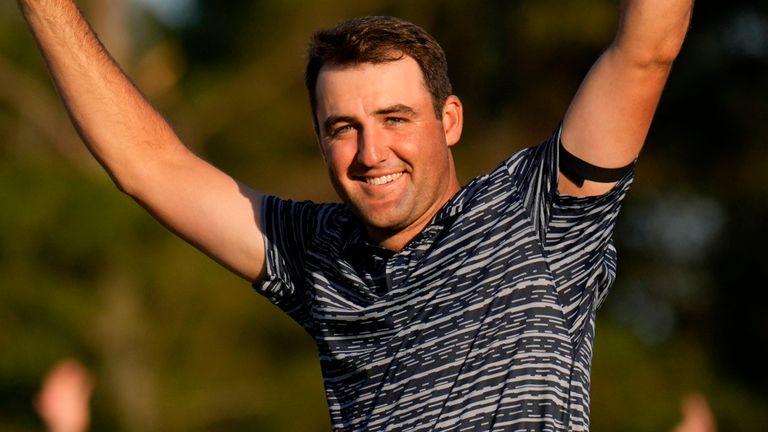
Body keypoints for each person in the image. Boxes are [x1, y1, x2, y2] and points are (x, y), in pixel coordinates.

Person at [17, 0, 693, 430]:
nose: (372, 152)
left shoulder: (537, 213)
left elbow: (646, 49)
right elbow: (150, 167)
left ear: (447, 120)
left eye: (395, 118)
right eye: (343, 127)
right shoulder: (315, 255)